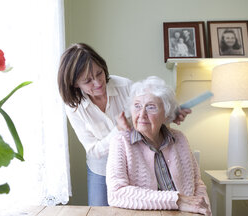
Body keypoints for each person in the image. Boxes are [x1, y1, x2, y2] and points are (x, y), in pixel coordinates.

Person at [57, 43, 191, 206]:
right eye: (88, 81)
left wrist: (170, 116)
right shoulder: (74, 107)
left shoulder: (124, 86)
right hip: (101, 168)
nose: (98, 82)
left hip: (133, 162)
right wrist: (118, 130)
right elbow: (93, 150)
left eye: (99, 73)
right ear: (75, 84)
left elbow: (146, 116)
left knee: (136, 209)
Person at [106, 76, 211, 216]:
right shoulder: (121, 142)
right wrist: (177, 200)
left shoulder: (179, 139)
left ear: (166, 114)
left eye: (151, 107)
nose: (142, 114)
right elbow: (116, 193)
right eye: (137, 106)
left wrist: (204, 212)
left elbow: (197, 184)